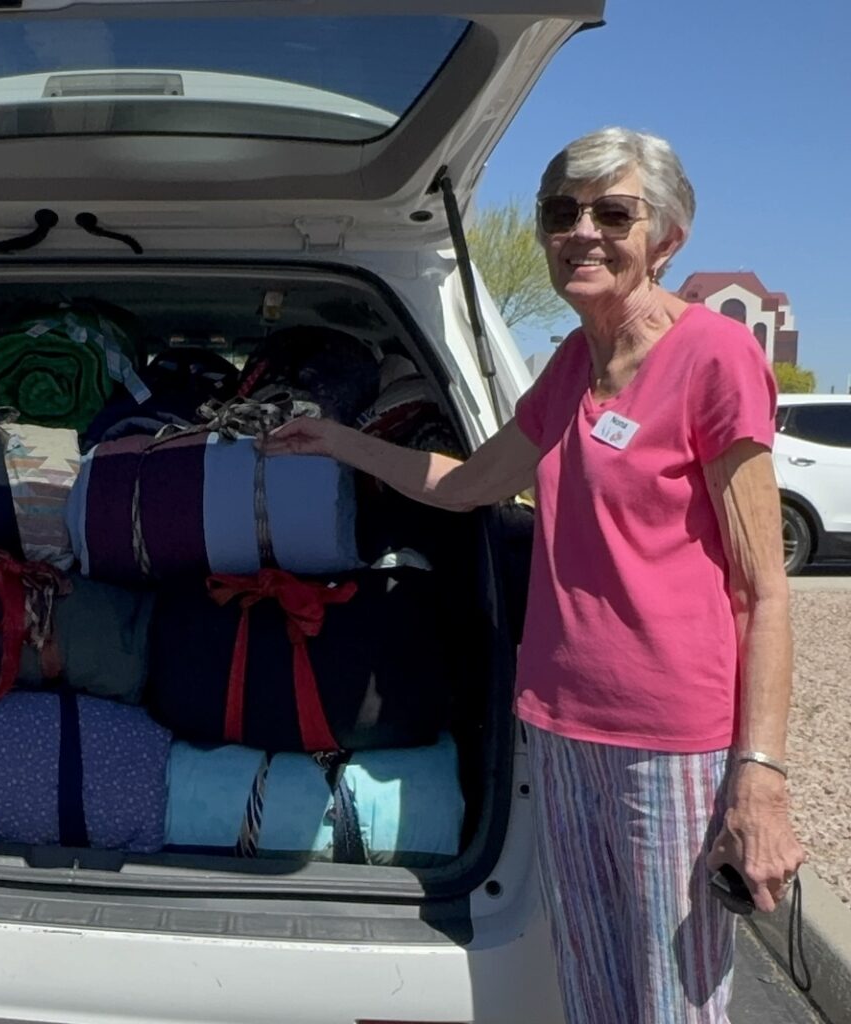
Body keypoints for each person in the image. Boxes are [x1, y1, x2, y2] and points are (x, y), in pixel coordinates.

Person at [262, 127, 805, 1022]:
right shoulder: (570, 365)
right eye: (562, 212)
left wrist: (760, 775)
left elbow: (763, 587)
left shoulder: (714, 357)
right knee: (591, 985)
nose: (581, 232)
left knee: (671, 1001)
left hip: (671, 739)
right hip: (558, 721)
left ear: (667, 238)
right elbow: (471, 484)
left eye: (613, 213)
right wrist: (339, 441)